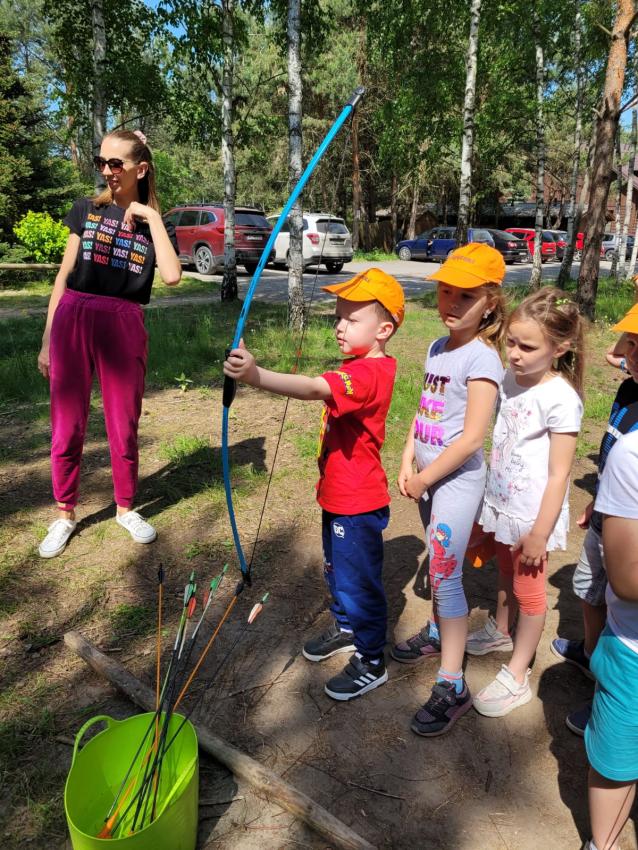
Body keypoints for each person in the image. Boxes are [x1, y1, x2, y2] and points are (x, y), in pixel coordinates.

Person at [223, 268, 405, 700]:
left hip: (357, 502)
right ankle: (346, 627)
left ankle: (371, 660)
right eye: (338, 317)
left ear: (383, 331)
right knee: (337, 570)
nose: (340, 326)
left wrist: (255, 376)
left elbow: (311, 388)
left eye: (352, 319)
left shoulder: (368, 375)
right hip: (339, 495)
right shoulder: (359, 365)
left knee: (358, 582)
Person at [37, 129, 181, 559]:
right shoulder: (86, 209)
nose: (106, 171)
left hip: (123, 321)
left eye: (116, 163)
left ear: (141, 168)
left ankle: (125, 508)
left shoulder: (152, 223)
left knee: (124, 422)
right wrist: (47, 339)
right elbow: (63, 276)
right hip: (74, 316)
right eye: (101, 162)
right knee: (67, 423)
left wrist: (152, 217)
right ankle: (65, 513)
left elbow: (172, 275)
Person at [392, 243, 506, 736]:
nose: (452, 303)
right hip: (428, 480)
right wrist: (407, 457)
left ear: (490, 302)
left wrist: (425, 477)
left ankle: (453, 683)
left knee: (445, 574)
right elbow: (425, 411)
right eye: (445, 291)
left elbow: (473, 438)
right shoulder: (438, 348)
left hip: (456, 482)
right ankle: (439, 632)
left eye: (466, 295)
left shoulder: (482, 359)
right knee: (440, 571)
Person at [467, 288, 584, 717]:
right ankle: (501, 629)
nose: (514, 354)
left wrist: (539, 532)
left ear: (560, 348)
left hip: (532, 517)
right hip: (502, 503)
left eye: (527, 347)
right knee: (504, 569)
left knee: (530, 593)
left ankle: (518, 673)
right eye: (511, 342)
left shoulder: (562, 399)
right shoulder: (508, 377)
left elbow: (559, 474)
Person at [552, 303, 638, 735]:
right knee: (588, 589)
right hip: (607, 512)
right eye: (632, 344)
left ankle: (609, 694)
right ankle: (591, 655)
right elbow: (614, 353)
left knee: (619, 609)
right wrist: (601, 499)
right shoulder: (628, 389)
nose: (629, 354)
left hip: (629, 537)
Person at [583, 428, 638, 850]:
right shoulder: (631, 455)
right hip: (632, 650)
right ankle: (602, 844)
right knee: (616, 764)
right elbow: (627, 579)